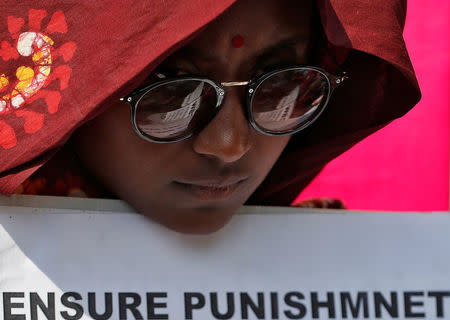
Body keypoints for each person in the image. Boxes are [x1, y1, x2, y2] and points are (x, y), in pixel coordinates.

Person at [0, 0, 420, 233]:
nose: (230, 146)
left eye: (283, 86)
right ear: (67, 88)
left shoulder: (351, 293)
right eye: (172, 93)